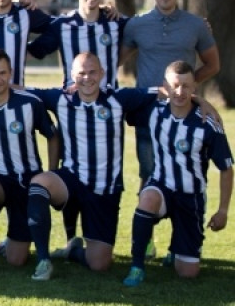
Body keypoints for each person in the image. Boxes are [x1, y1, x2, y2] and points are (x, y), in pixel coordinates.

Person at [27, 0, 130, 255]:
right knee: (69, 168)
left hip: (107, 111)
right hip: (71, 108)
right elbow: (34, 48)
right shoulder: (62, 25)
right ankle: (72, 238)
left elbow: (141, 33)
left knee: (104, 170)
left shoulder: (115, 23)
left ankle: (97, 233)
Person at [25, 53, 156, 280]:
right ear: (72, 76)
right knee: (38, 184)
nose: (87, 78)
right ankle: (43, 261)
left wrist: (202, 101)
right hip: (72, 179)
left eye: (92, 72)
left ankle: (73, 251)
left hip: (105, 190)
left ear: (103, 73)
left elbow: (164, 92)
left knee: (100, 264)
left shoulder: (119, 98)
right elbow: (18, 90)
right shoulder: (61, 99)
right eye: (81, 73)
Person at [123, 60, 232, 286]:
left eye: (186, 86)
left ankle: (177, 248)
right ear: (165, 86)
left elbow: (226, 169)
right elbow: (121, 98)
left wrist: (222, 211)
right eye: (175, 85)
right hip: (160, 187)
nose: (180, 91)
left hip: (190, 198)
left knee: (187, 273)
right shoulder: (153, 110)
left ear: (195, 88)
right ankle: (136, 266)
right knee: (147, 198)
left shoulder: (208, 123)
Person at [121, 0, 220, 190]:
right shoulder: (136, 25)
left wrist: (188, 86)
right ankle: (145, 221)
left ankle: (185, 219)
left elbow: (213, 65)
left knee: (185, 174)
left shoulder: (195, 25)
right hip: (147, 110)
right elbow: (113, 60)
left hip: (184, 110)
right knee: (148, 174)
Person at [0, 48, 57, 275]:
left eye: (2, 73)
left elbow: (53, 135)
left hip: (28, 181)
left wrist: (52, 174)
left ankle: (10, 244)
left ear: (11, 73)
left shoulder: (29, 103)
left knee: (17, 260)